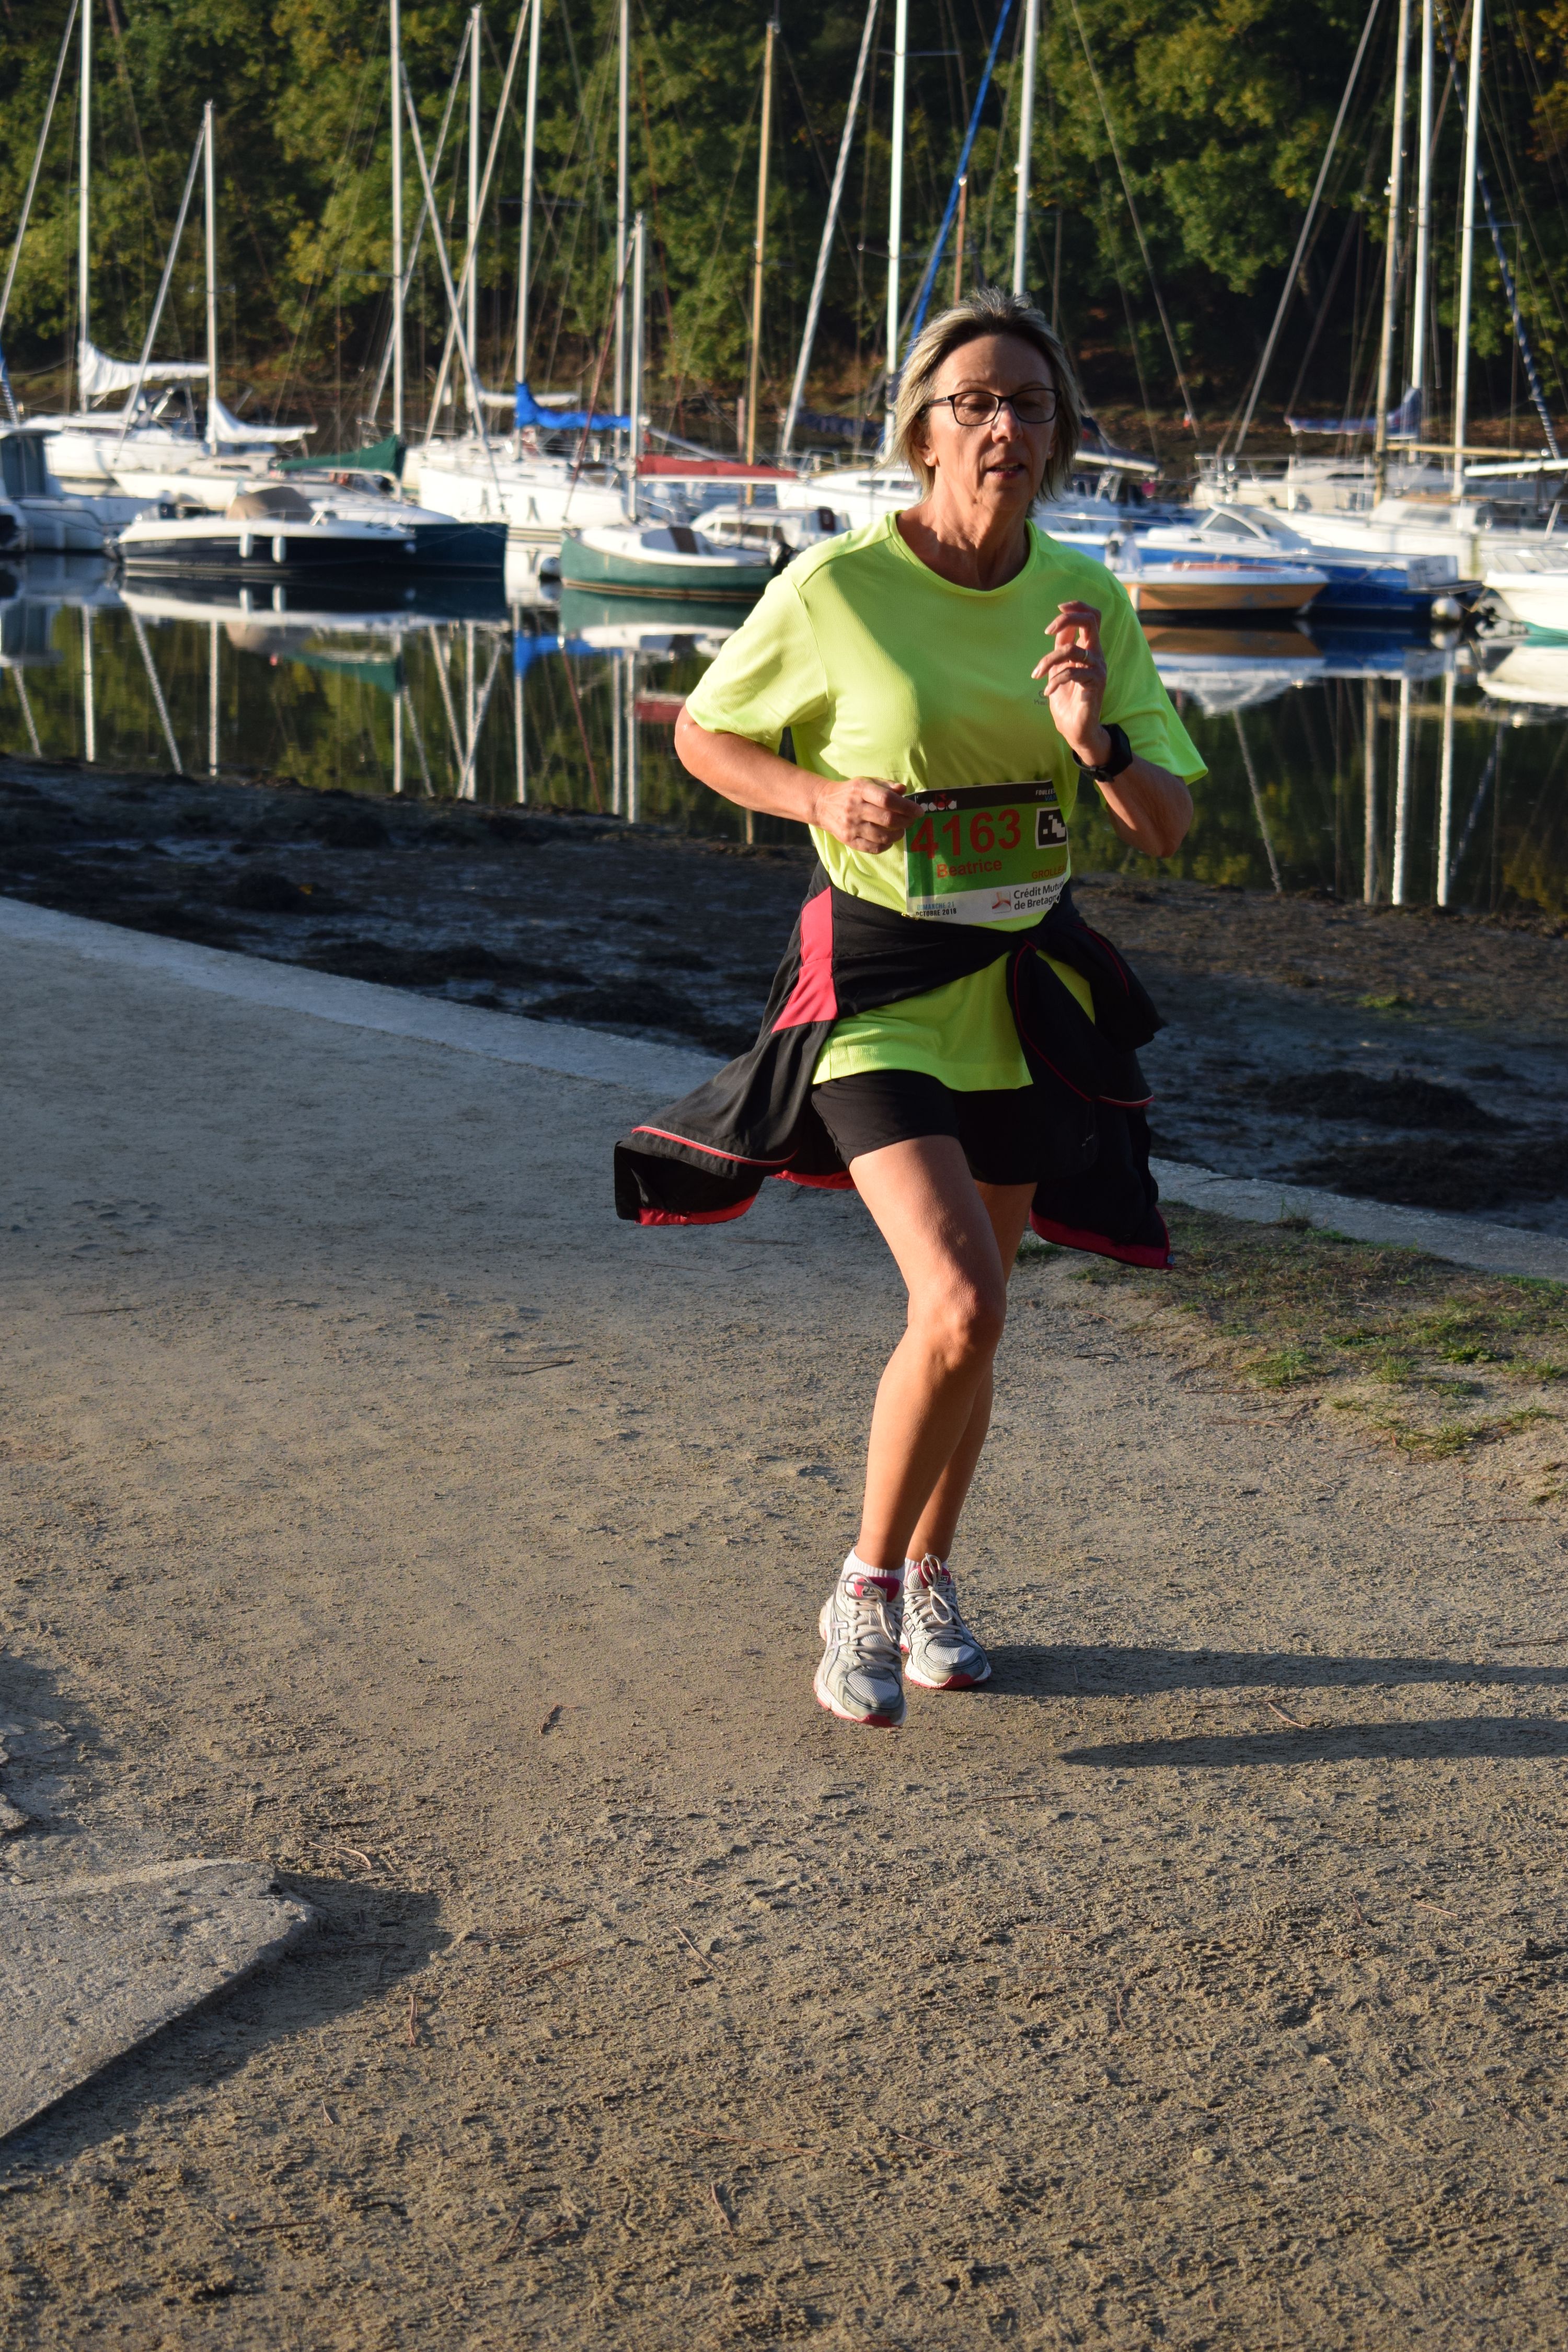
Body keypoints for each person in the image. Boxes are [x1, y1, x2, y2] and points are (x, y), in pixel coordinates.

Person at [639, 286, 1203, 1728]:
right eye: (976, 402)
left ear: (1059, 435)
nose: (1005, 424)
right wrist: (824, 796)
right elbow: (705, 734)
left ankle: (936, 1571)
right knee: (956, 1296)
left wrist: (1095, 736)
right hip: (880, 985)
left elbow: (1165, 824)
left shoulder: (1083, 600)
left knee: (978, 1322)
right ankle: (865, 1586)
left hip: (1019, 989)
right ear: (924, 433)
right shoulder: (837, 588)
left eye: (1031, 404)